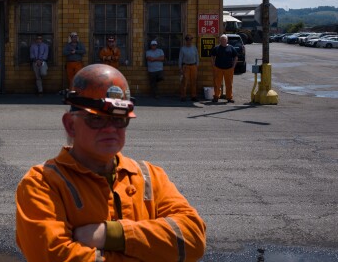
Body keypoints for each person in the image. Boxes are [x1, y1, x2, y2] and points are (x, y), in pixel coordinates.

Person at [16, 64, 206, 262]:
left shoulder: (150, 176)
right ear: (71, 125)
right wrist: (153, 251)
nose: (110, 129)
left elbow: (194, 238)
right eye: (96, 119)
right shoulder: (41, 184)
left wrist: (112, 234)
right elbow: (54, 256)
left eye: (119, 119)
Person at [211, 34, 238, 103]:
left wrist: (233, 66)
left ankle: (229, 97)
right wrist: (213, 64)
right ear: (220, 40)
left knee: (229, 84)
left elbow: (235, 57)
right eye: (222, 39)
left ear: (227, 40)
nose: (223, 41)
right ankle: (216, 96)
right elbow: (212, 56)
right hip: (218, 68)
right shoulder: (216, 48)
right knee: (217, 84)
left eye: (224, 39)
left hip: (229, 69)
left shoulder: (231, 48)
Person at [179, 34, 199, 102]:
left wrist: (197, 65)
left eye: (190, 39)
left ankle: (193, 96)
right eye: (188, 39)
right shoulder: (183, 48)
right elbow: (180, 58)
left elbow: (197, 57)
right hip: (185, 66)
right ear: (186, 40)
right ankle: (183, 96)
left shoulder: (194, 48)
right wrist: (180, 68)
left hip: (193, 65)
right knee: (184, 82)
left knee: (194, 81)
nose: (189, 41)